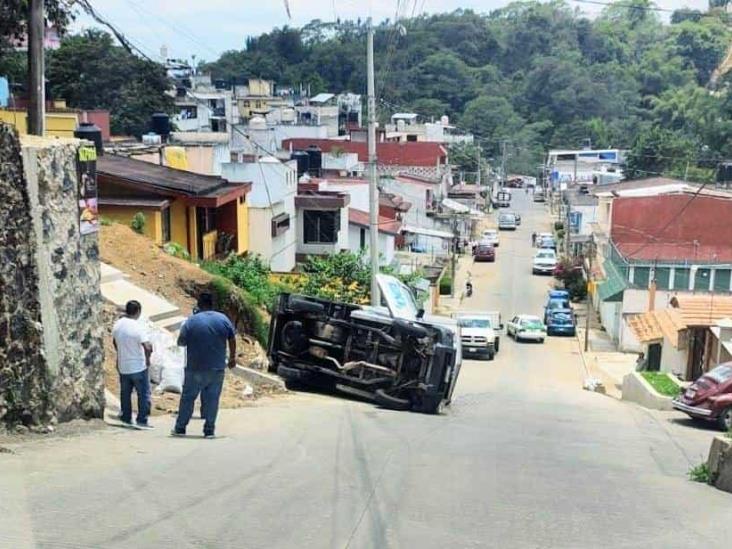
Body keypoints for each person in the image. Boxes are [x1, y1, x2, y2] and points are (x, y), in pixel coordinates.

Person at [172, 293, 236, 438]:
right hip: (217, 369)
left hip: (195, 368)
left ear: (199, 304)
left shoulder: (191, 321)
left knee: (188, 398)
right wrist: (232, 357)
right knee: (213, 400)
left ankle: (180, 428)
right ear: (212, 304)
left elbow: (181, 342)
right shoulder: (223, 319)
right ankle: (209, 430)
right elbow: (232, 338)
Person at [112, 300, 153, 430]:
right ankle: (142, 420)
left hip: (123, 366)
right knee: (143, 394)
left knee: (125, 393)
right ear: (138, 312)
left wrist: (120, 354)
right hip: (138, 366)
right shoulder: (138, 326)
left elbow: (114, 342)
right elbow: (147, 346)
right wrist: (147, 359)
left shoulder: (118, 324)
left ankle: (126, 417)